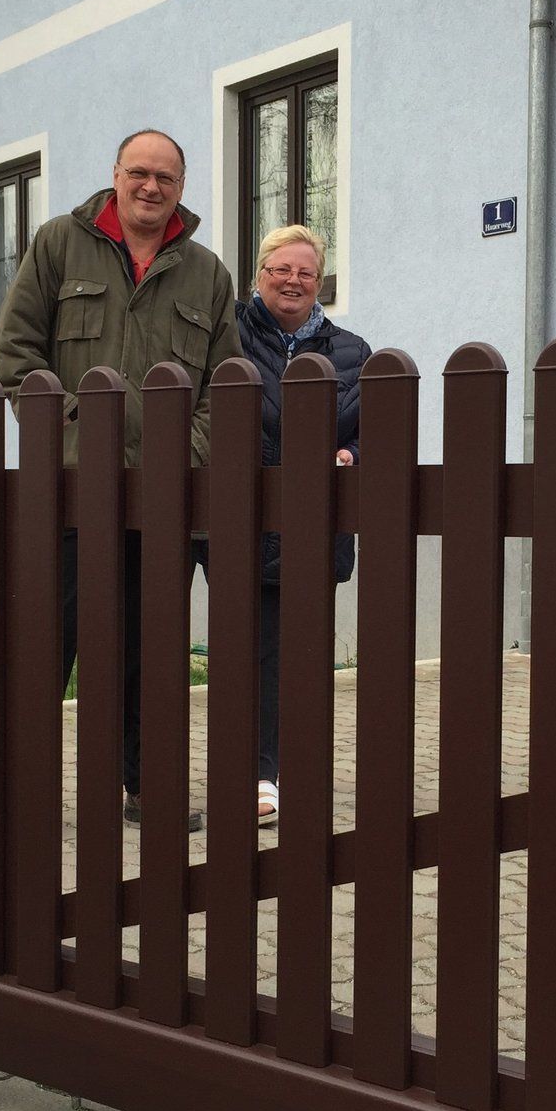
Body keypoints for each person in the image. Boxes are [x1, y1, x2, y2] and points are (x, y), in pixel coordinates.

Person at [0, 128, 238, 829]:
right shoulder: (57, 246)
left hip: (164, 502)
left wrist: (182, 459)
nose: (151, 188)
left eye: (166, 178)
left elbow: (226, 384)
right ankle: (23, 786)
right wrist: (78, 434)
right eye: (140, 173)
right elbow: (16, 357)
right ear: (115, 175)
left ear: (181, 189)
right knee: (49, 641)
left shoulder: (207, 273)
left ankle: (145, 786)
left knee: (151, 652)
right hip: (69, 494)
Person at [234, 224, 370, 822]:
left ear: (320, 282)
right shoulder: (229, 336)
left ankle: (289, 767)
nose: (293, 281)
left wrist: (353, 456)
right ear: (259, 275)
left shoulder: (352, 352)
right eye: (280, 270)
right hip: (243, 523)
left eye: (306, 273)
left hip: (318, 526)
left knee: (302, 654)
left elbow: (374, 427)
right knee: (257, 651)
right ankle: (260, 773)